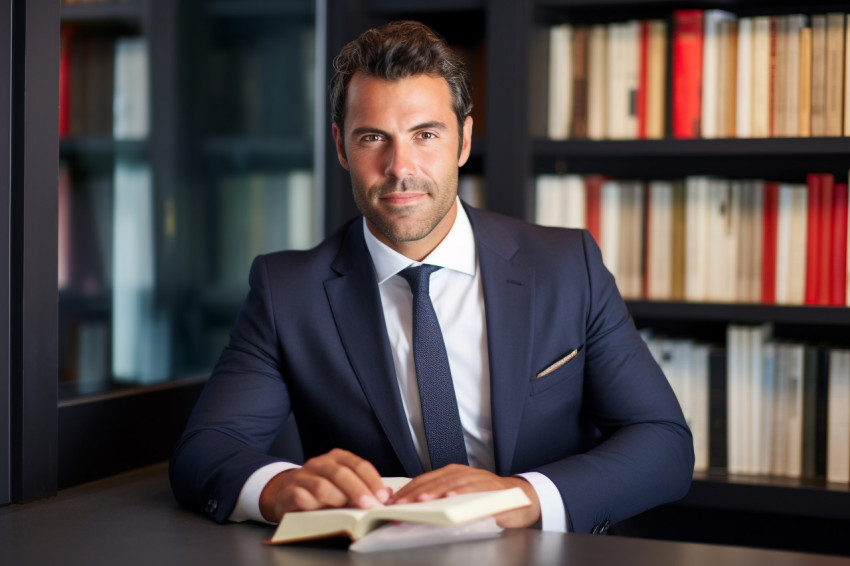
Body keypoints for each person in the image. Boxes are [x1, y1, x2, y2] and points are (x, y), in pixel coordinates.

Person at [169, 20, 693, 534]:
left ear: (463, 140)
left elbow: (663, 443)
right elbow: (205, 450)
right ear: (340, 147)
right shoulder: (287, 290)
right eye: (373, 137)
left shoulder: (564, 265)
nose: (400, 167)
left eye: (425, 134)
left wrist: (526, 496)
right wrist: (279, 488)